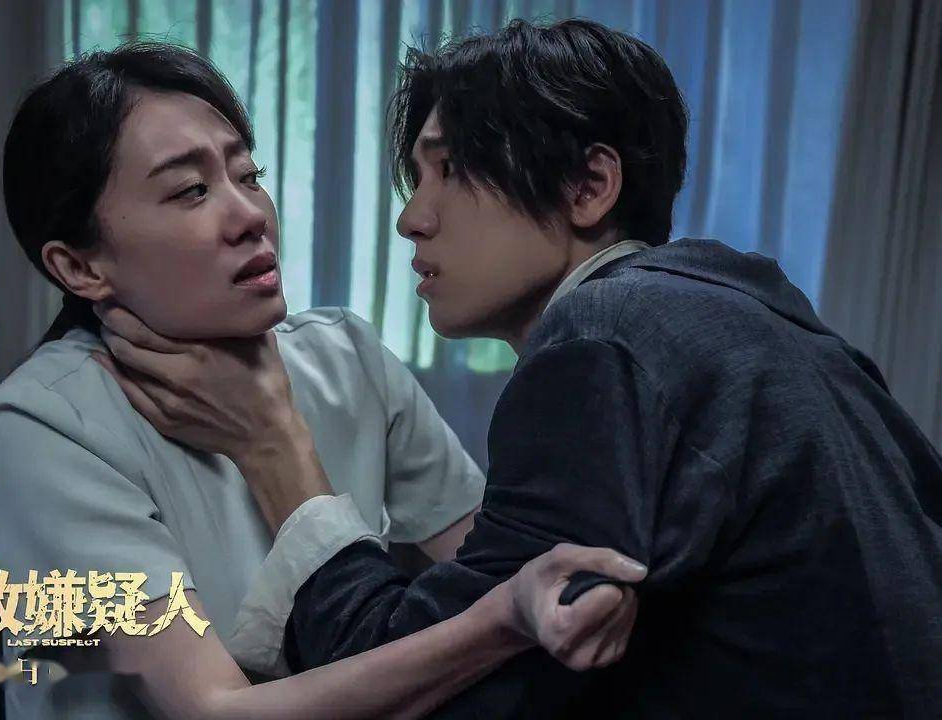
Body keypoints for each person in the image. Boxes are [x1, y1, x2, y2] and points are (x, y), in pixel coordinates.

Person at [99, 18, 942, 718]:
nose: (411, 218)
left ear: (588, 186)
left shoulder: (602, 339)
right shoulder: (749, 319)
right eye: (414, 178)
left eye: (450, 171)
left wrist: (276, 448)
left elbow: (426, 686)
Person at [0, 41, 646, 720]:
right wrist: (502, 621)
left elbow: (490, 572)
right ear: (81, 267)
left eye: (249, 174)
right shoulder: (45, 423)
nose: (251, 216)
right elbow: (213, 710)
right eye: (190, 190)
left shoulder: (346, 356)